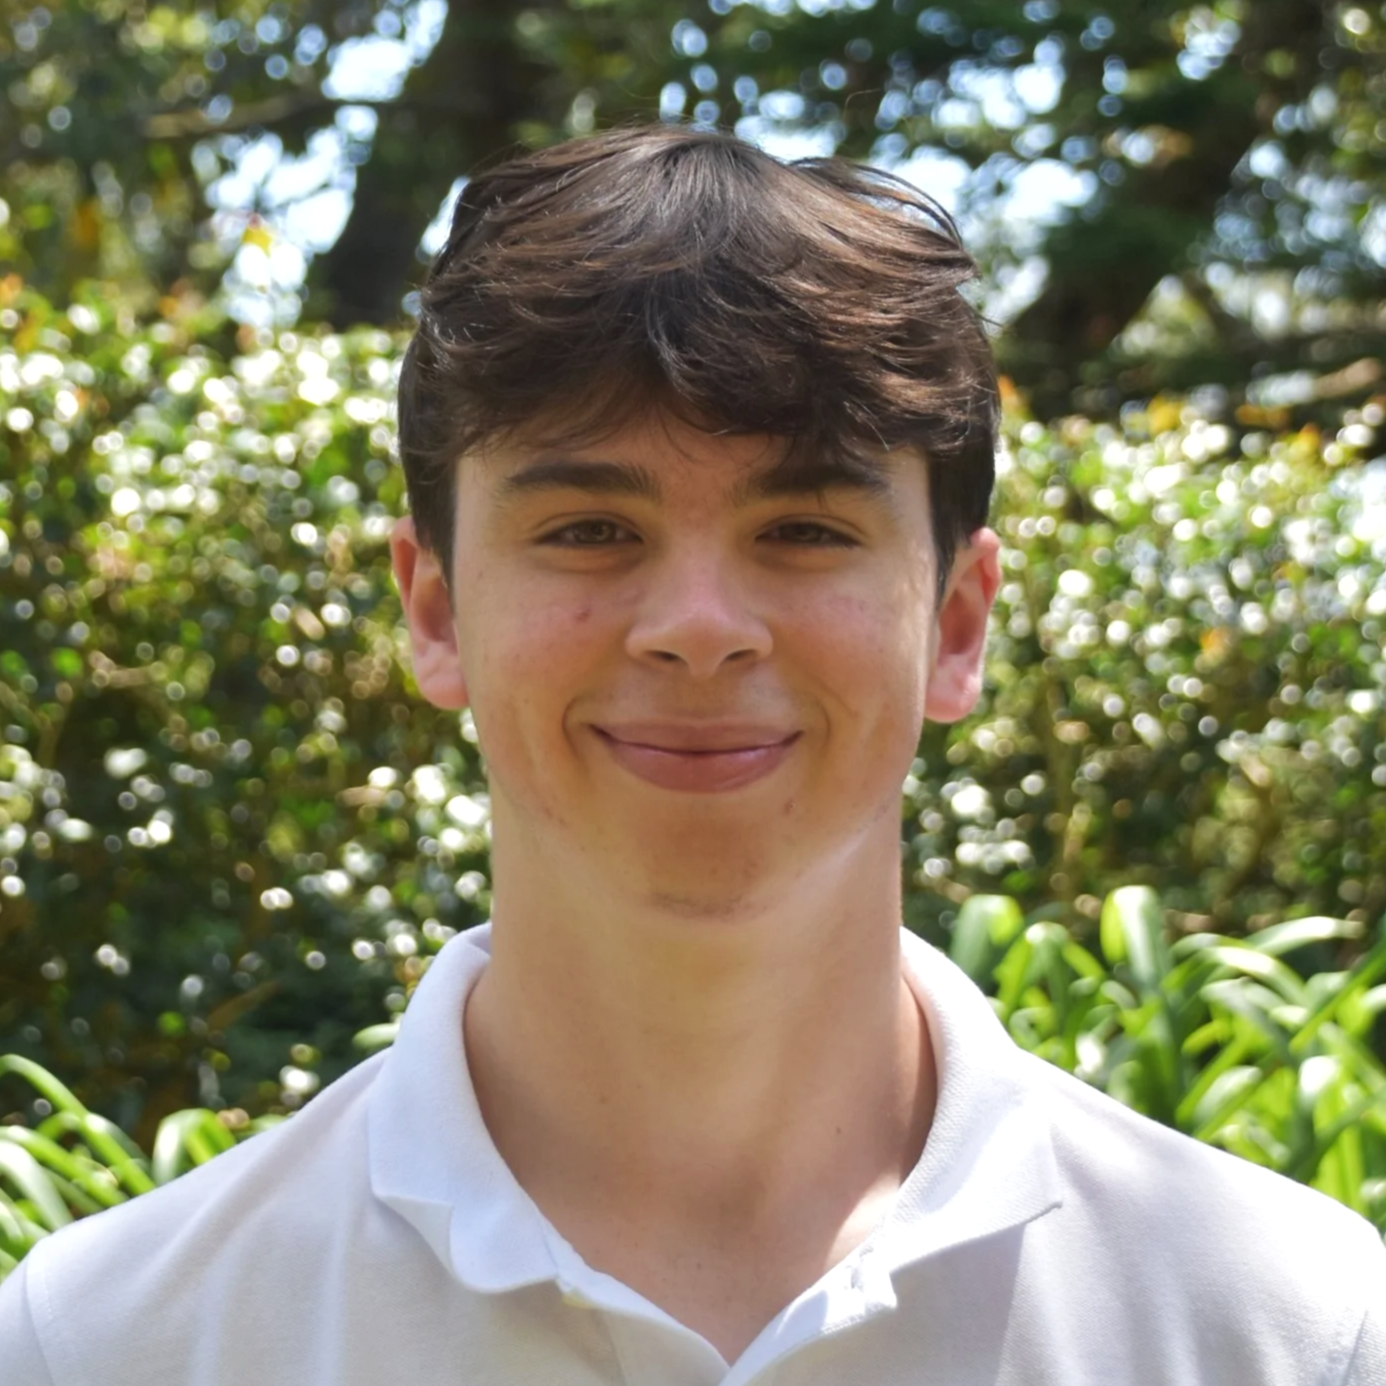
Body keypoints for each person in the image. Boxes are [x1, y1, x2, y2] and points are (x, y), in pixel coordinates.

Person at [1, 124, 1382, 1386]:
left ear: (955, 624)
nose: (699, 628)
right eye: (589, 530)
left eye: (805, 530)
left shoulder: (1290, 1331)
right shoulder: (112, 1344)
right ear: (436, 611)